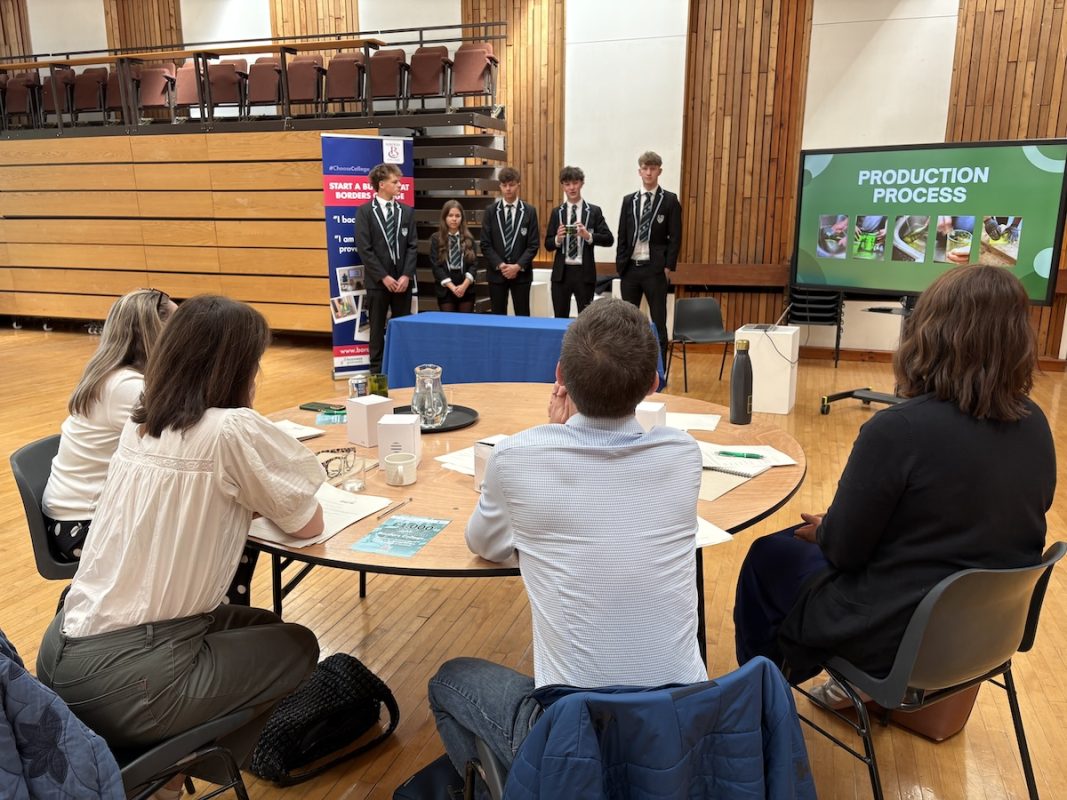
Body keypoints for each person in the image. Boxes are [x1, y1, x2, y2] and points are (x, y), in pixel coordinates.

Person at [37, 295, 324, 793]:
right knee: (298, 644)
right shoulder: (230, 427)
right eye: (255, 363)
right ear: (237, 366)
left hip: (62, 649)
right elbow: (307, 521)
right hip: (125, 677)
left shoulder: (141, 421)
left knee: (262, 624)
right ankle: (175, 765)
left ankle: (172, 765)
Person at [733, 265, 1056, 691]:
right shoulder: (1035, 422)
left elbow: (847, 552)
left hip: (898, 632)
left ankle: (762, 699)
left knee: (768, 554)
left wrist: (830, 530)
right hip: (991, 628)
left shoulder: (898, 429)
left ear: (929, 331)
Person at [428, 298, 707, 778]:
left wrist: (549, 437)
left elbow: (486, 545)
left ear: (560, 374)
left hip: (576, 737)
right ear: (653, 383)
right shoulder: (684, 454)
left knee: (448, 681)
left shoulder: (516, 457)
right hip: (683, 727)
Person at [42, 288, 176, 563]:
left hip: (88, 515)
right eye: (177, 324)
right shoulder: (126, 387)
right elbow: (184, 443)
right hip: (83, 527)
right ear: (154, 332)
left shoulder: (116, 376)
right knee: (213, 537)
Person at [616, 151, 682, 361]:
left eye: (653, 168)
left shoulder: (670, 200)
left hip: (655, 269)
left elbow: (675, 237)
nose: (649, 172)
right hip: (631, 269)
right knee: (628, 321)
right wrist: (621, 266)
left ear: (659, 171)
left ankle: (660, 368)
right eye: (645, 168)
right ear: (639, 171)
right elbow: (622, 234)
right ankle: (628, 364)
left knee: (659, 321)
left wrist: (667, 266)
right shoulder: (629, 201)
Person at [354, 162, 418, 372]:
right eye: (395, 182)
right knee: (376, 328)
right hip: (378, 282)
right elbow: (365, 249)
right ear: (382, 184)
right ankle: (376, 371)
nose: (400, 185)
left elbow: (412, 246)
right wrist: (384, 277)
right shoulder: (365, 212)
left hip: (402, 282)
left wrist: (406, 275)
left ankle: (400, 369)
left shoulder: (406, 211)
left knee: (402, 328)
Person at [543, 165, 614, 317]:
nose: (572, 188)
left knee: (585, 319)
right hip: (562, 273)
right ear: (563, 186)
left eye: (575, 183)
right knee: (559, 317)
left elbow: (609, 239)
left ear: (582, 183)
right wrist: (557, 238)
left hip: (584, 272)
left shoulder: (594, 211)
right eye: (567, 184)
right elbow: (548, 245)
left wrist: (588, 235)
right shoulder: (557, 212)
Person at [480, 166, 540, 315]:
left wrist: (517, 266)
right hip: (497, 273)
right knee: (498, 316)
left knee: (522, 315)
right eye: (504, 185)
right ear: (500, 186)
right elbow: (485, 244)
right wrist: (501, 265)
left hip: (521, 274)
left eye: (511, 185)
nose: (508, 189)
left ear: (518, 185)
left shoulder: (529, 211)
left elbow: (533, 245)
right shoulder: (491, 211)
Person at [429, 200, 477, 313]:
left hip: (466, 288)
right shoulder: (436, 238)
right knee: (449, 325)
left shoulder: (469, 238)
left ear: (462, 218)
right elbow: (436, 266)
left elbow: (474, 265)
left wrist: (464, 286)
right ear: (444, 217)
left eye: (457, 216)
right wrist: (452, 287)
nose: (454, 219)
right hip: (446, 289)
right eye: (450, 215)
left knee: (465, 325)